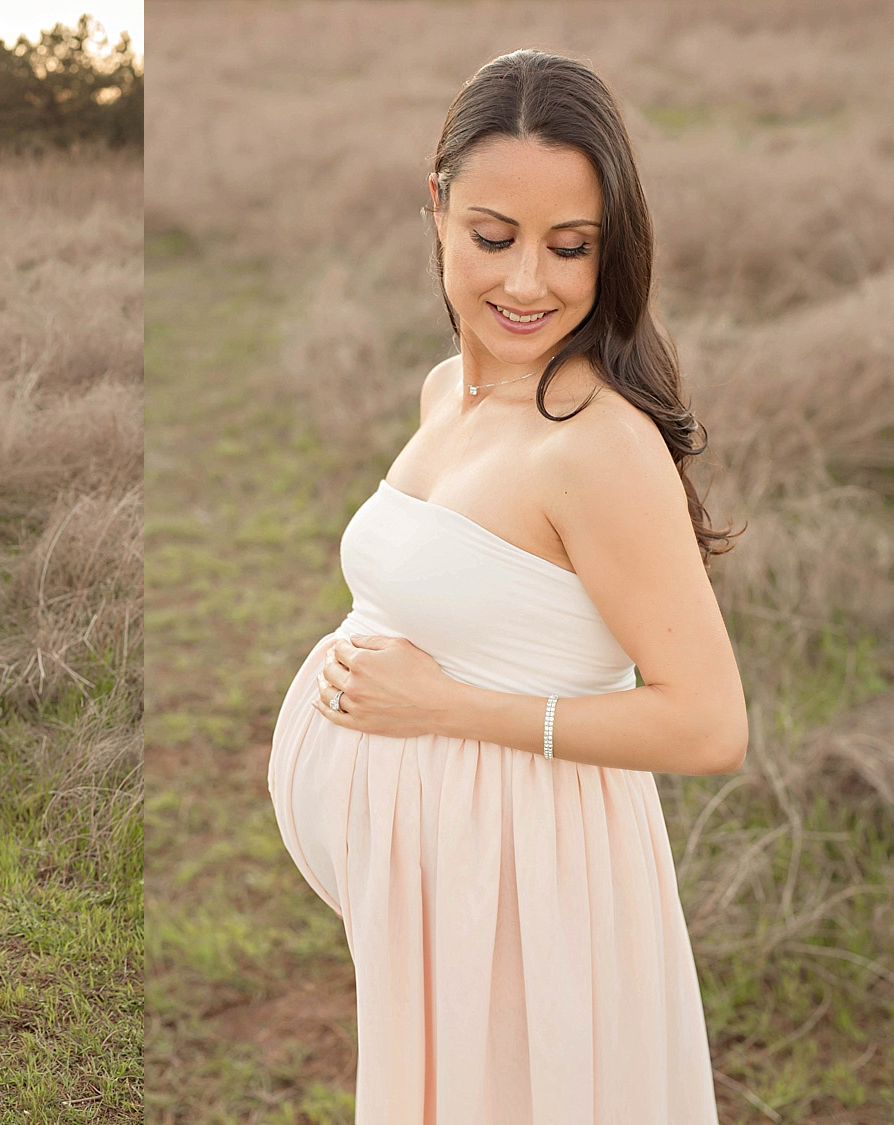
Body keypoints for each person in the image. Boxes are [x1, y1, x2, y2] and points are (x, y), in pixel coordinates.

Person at [267, 50, 747, 1124]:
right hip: (452, 909)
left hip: (536, 897)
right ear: (435, 208)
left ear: (610, 248)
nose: (528, 282)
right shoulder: (450, 388)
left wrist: (451, 710)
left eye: (570, 248)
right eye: (494, 237)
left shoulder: (598, 447)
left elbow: (711, 726)